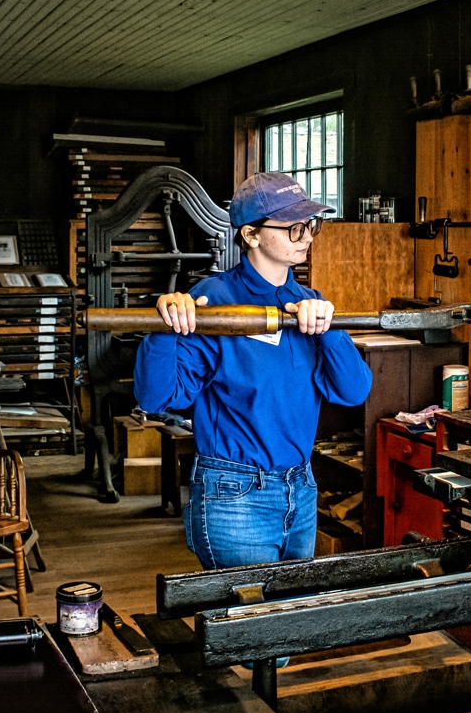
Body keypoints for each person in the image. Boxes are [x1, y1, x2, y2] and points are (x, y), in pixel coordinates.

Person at [134, 171, 373, 570]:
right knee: (249, 623)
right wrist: (165, 329)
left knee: (289, 621)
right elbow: (157, 398)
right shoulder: (214, 301)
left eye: (310, 225)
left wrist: (329, 330)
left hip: (300, 487)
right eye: (294, 227)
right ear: (251, 234)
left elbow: (353, 391)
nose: (307, 237)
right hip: (235, 492)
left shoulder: (308, 303)